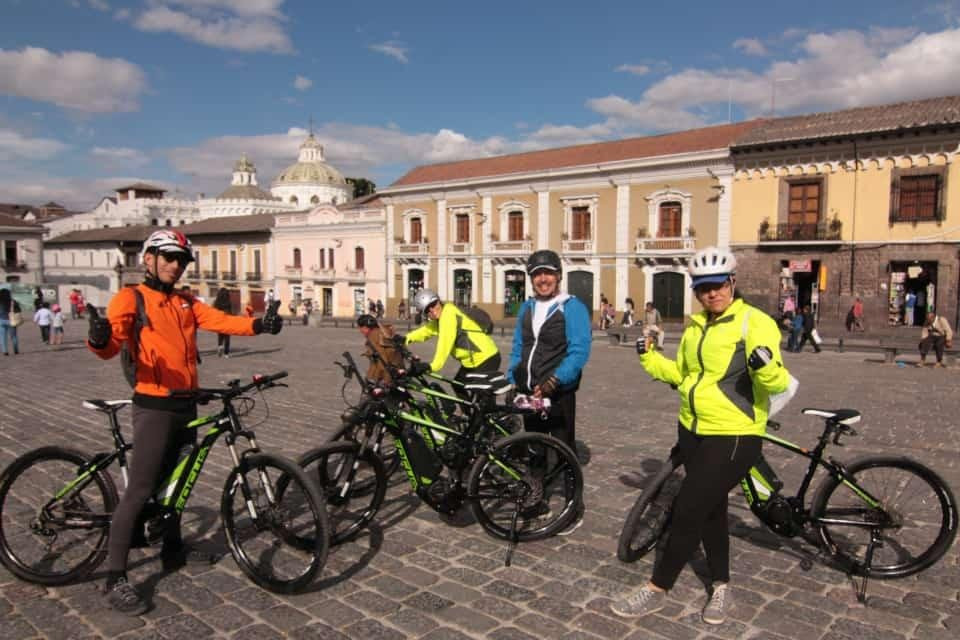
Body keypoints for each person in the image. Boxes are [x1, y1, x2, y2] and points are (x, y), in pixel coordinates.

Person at [86, 229, 283, 615]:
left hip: (185, 405)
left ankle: (173, 550)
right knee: (141, 488)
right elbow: (111, 345)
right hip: (154, 406)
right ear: (149, 259)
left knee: (177, 482)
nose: (176, 266)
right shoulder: (132, 298)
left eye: (181, 260)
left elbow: (222, 321)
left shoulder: (186, 302)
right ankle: (114, 576)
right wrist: (98, 337)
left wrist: (259, 325)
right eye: (169, 258)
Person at [611, 246, 790, 624]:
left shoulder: (753, 323)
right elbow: (684, 376)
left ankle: (658, 587)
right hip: (692, 430)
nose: (712, 294)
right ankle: (721, 584)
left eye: (719, 286)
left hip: (735, 433)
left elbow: (775, 382)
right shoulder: (697, 326)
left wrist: (765, 365)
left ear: (732, 282)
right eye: (704, 288)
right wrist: (648, 356)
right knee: (712, 510)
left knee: (688, 508)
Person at [506, 249, 592, 535]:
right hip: (530, 391)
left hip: (558, 391)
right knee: (534, 445)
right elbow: (519, 346)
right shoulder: (527, 307)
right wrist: (513, 376)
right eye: (537, 274)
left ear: (558, 276)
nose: (543, 279)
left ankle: (572, 505)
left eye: (548, 273)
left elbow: (579, 350)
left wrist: (557, 379)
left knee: (563, 448)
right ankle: (537, 497)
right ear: (531, 279)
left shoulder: (572, 306)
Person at [405, 288, 501, 396]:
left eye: (433, 304)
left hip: (487, 358)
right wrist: (406, 339)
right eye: (427, 309)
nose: (432, 310)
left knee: (481, 394)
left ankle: (491, 410)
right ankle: (470, 412)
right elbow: (426, 330)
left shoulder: (448, 315)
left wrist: (432, 366)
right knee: (457, 384)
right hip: (472, 362)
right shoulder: (439, 319)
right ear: (424, 314)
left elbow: (445, 343)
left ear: (438, 301)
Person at [357, 314, 405, 384]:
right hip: (399, 368)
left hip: (390, 375)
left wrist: (378, 381)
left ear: (365, 327)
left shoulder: (373, 337)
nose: (360, 331)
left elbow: (382, 361)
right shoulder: (385, 332)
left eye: (360, 328)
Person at [212, 287, 233, 357]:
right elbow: (230, 312)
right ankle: (226, 353)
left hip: (219, 320)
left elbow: (214, 310)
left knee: (220, 335)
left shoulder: (217, 302)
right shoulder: (228, 302)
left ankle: (220, 346)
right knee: (227, 337)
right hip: (227, 319)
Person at [0, 288, 21, 355]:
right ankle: (16, 350)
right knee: (14, 336)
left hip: (1, 320)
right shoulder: (13, 301)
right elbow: (19, 310)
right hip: (11, 320)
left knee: (2, 337)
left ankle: (5, 351)